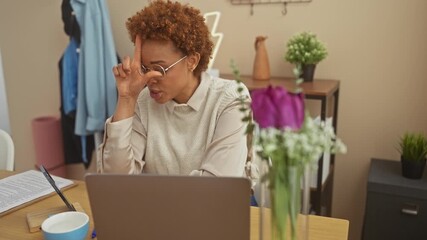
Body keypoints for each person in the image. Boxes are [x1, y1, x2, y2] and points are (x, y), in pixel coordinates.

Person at [97, 0, 250, 177]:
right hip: (160, 204)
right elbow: (115, 180)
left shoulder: (231, 99)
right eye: (145, 69)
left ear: (192, 61)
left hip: (211, 204)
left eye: (159, 69)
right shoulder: (142, 101)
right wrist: (127, 99)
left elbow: (217, 186)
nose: (149, 79)